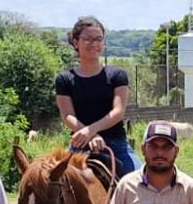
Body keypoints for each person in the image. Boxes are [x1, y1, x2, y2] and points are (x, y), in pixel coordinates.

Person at [55, 16, 140, 174]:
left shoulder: (117, 75)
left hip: (116, 145)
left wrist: (90, 131)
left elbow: (118, 112)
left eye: (98, 39)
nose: (94, 44)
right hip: (79, 145)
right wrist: (89, 136)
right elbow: (67, 116)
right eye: (88, 39)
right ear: (75, 42)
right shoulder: (64, 79)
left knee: (139, 182)